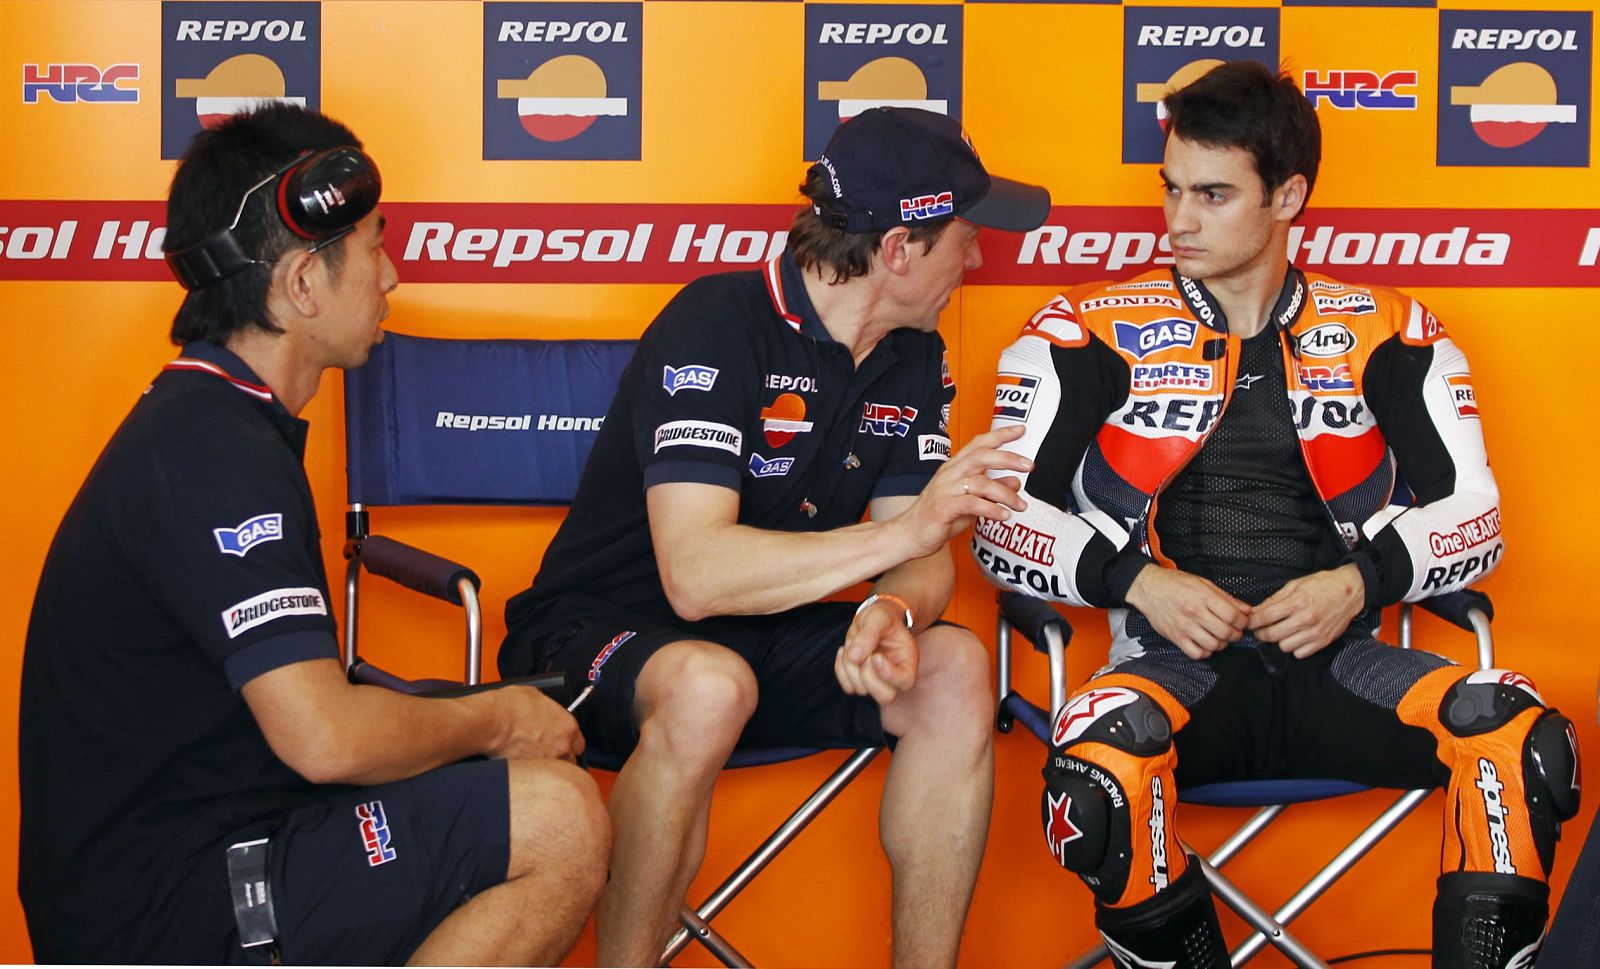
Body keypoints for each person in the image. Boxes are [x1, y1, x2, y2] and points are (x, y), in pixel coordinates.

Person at [973, 61, 1580, 968]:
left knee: (1522, 735)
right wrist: (1135, 579)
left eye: (1213, 195)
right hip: (1177, 676)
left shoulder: (1390, 329)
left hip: (1346, 668)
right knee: (1101, 764)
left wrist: (1360, 581)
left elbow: (1477, 514)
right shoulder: (1083, 330)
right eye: (1173, 189)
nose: (1179, 220)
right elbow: (999, 518)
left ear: (1288, 195)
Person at [18, 103, 609, 965]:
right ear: (301, 285)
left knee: (525, 791)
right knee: (558, 819)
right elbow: (325, 737)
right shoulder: (214, 452)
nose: (394, 275)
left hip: (215, 845)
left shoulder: (218, 421)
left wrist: (481, 722)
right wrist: (495, 719)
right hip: (157, 909)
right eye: (375, 246)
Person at [498, 106, 1049, 967]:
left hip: (757, 644)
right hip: (591, 634)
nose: (978, 257)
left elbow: (922, 554)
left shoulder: (915, 352)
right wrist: (902, 536)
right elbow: (697, 576)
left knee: (953, 666)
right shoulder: (718, 321)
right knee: (706, 686)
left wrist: (893, 615)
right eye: (966, 237)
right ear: (900, 249)